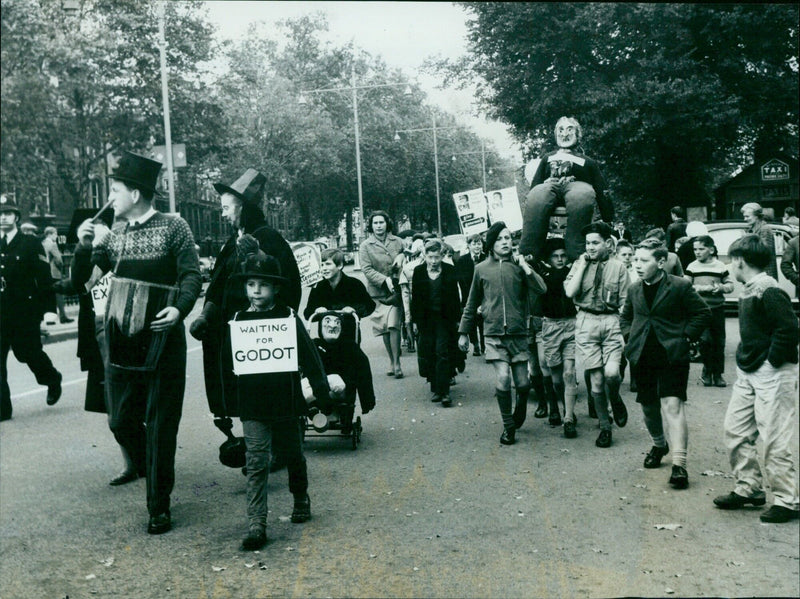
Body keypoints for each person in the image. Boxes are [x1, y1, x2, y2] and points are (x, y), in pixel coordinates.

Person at [74, 151, 201, 535]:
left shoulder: (174, 227)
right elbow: (87, 282)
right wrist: (85, 246)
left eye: (115, 190)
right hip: (125, 343)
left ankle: (158, 506)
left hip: (163, 343)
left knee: (162, 425)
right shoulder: (116, 235)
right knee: (120, 419)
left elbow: (191, 276)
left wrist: (179, 310)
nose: (110, 198)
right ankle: (150, 465)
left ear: (135, 192)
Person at [230, 251, 331, 550]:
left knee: (292, 455)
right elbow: (228, 365)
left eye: (263, 284)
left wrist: (321, 390)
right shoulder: (238, 320)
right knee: (257, 461)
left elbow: (311, 357)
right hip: (252, 404)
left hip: (286, 401)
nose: (256, 290)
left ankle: (300, 496)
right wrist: (224, 405)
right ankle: (256, 523)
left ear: (275, 288)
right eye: (251, 284)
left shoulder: (287, 317)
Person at [189, 168, 302, 426]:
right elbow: (217, 284)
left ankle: (277, 447)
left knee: (266, 390)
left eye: (227, 208)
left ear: (242, 208)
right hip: (232, 331)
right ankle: (256, 443)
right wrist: (206, 314)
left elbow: (289, 286)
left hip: (260, 332)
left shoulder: (270, 239)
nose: (223, 213)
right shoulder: (231, 242)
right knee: (243, 393)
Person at [713, 234, 799, 523]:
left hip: (772, 373)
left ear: (740, 261)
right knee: (735, 430)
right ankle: (749, 488)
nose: (728, 265)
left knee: (774, 438)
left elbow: (788, 329)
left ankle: (787, 500)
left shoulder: (769, 290)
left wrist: (771, 362)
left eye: (730, 260)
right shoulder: (749, 289)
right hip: (750, 371)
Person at [621, 238, 710, 490]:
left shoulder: (680, 286)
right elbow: (626, 316)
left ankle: (679, 465)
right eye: (636, 259)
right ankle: (659, 445)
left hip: (672, 355)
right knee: (649, 407)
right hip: (642, 355)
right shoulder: (634, 289)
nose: (637, 265)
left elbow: (702, 313)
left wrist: (685, 337)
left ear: (661, 262)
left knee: (672, 405)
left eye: (644, 260)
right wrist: (630, 337)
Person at [458, 222, 546, 445]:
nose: (506, 242)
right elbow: (471, 303)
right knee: (504, 378)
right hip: (494, 333)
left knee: (523, 384)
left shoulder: (518, 267)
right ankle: (508, 427)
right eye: (500, 239)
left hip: (518, 333)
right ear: (491, 244)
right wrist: (463, 333)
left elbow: (541, 289)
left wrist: (526, 266)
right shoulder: (481, 269)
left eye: (508, 238)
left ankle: (521, 405)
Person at [564, 221, 629, 448]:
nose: (590, 247)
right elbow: (570, 292)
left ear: (608, 244)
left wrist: (623, 331)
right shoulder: (578, 264)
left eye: (595, 243)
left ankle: (616, 398)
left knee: (612, 374)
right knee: (597, 383)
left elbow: (625, 303)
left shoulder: (619, 267)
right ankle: (605, 427)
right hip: (585, 322)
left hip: (610, 321)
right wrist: (582, 265)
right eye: (587, 243)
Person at [0, 195, 62, 421]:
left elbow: (44, 279)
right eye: (0, 214)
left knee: (27, 353)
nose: (3, 217)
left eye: (7, 213)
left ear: (16, 217)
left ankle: (52, 378)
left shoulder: (30, 243)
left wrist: (49, 310)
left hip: (24, 313)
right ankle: (2, 410)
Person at [519, 116, 613, 260]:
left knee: (581, 197)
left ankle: (577, 254)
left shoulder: (587, 162)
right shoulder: (547, 158)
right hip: (549, 187)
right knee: (537, 195)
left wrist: (608, 217)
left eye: (570, 130)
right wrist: (532, 196)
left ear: (577, 134)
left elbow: (602, 190)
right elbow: (535, 185)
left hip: (577, 187)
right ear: (556, 134)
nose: (565, 134)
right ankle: (529, 254)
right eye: (561, 130)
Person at [535, 237, 579, 437]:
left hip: (571, 323)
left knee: (569, 373)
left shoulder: (573, 271)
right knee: (556, 378)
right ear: (548, 258)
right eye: (556, 257)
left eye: (563, 256)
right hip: (550, 326)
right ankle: (560, 404)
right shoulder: (542, 274)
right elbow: (550, 282)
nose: (560, 259)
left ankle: (568, 417)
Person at [411, 239, 462, 407]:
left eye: (437, 257)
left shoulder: (450, 271)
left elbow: (455, 297)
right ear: (424, 256)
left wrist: (457, 321)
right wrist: (414, 322)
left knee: (442, 352)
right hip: (425, 320)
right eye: (430, 257)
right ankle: (435, 386)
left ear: (442, 256)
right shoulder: (418, 272)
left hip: (444, 319)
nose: (433, 261)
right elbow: (416, 299)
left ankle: (445, 390)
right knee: (429, 352)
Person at [310, 310, 375, 434]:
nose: (333, 325)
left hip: (342, 388)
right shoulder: (314, 345)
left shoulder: (349, 346)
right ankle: (318, 410)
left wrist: (367, 401)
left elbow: (364, 371)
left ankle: (330, 412)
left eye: (337, 322)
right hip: (317, 387)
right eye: (328, 321)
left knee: (336, 382)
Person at [359, 210, 405, 378]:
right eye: (375, 223)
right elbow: (366, 269)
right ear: (371, 226)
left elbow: (412, 252)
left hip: (396, 291)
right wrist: (383, 279)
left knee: (393, 325)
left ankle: (397, 363)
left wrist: (401, 255)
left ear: (387, 224)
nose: (379, 226)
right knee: (383, 328)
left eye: (382, 222)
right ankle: (392, 360)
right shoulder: (365, 245)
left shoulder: (398, 241)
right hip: (378, 292)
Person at [685, 235, 733, 387]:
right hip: (700, 310)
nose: (697, 252)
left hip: (717, 308)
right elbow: (685, 287)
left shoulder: (720, 266)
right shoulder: (692, 266)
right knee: (705, 341)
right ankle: (706, 370)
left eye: (701, 249)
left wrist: (721, 287)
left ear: (711, 250)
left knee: (719, 342)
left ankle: (718, 374)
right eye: (695, 249)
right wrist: (698, 288)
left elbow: (730, 285)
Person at [303, 248, 375, 341]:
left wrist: (354, 309)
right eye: (321, 265)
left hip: (349, 336)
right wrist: (316, 311)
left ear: (340, 265)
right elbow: (307, 313)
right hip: (326, 337)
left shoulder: (354, 284)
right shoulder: (318, 286)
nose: (324, 268)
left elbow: (369, 306)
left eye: (328, 264)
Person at [455, 233, 486, 356]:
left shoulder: (487, 257)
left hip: (484, 295)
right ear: (469, 245)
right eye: (474, 244)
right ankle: (476, 344)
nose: (477, 246)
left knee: (483, 321)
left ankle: (485, 345)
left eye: (479, 243)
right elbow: (460, 279)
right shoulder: (462, 260)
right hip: (469, 294)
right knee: (472, 322)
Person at [42, 226, 73, 323]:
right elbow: (59, 259)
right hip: (54, 273)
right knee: (59, 296)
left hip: (45, 273)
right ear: (49, 234)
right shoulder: (52, 244)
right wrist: (61, 269)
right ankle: (63, 317)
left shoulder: (43, 243)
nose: (56, 236)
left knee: (49, 297)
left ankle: (49, 319)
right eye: (55, 233)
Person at [399, 238, 425, 353]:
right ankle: (414, 340)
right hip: (414, 290)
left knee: (407, 314)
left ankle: (410, 342)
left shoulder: (408, 264)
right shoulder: (424, 262)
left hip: (408, 289)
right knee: (412, 314)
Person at [741, 202, 778, 280]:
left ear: (757, 216)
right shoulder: (751, 230)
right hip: (756, 273)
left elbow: (763, 253)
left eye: (747, 216)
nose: (745, 219)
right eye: (744, 217)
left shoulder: (765, 229)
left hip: (765, 273)